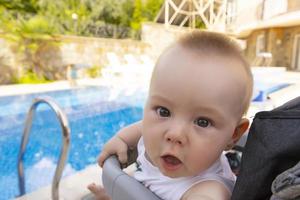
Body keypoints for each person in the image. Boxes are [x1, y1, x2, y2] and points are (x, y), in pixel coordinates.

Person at [88, 30, 253, 200]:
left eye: (202, 122)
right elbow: (142, 126)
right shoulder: (156, 136)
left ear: (234, 135)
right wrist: (121, 139)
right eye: (164, 111)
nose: (174, 134)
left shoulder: (209, 189)